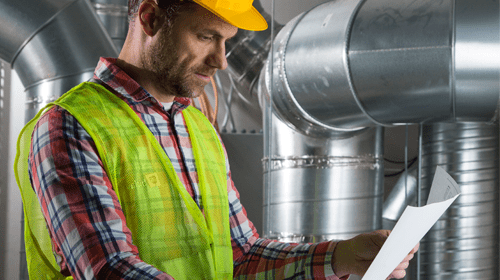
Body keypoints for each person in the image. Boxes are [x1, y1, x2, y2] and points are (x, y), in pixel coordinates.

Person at [15, 0, 418, 279]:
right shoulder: (72, 125)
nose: (222, 60)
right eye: (207, 36)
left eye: (227, 41)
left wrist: (341, 256)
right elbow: (110, 269)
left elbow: (240, 256)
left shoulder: (199, 130)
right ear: (151, 18)